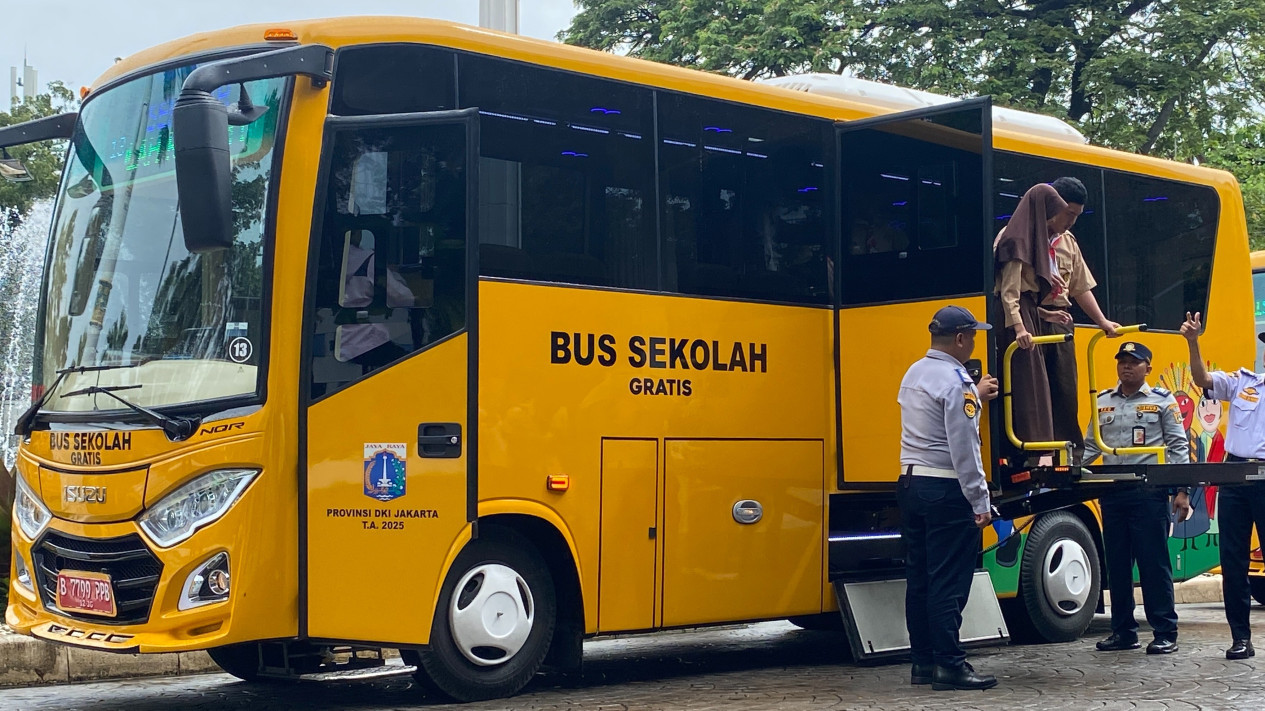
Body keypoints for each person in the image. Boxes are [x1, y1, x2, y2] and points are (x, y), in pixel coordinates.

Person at [898, 305, 1000, 691]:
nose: (974, 342)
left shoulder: (915, 372)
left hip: (911, 483)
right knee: (948, 582)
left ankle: (922, 663)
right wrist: (979, 500)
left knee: (919, 579)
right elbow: (963, 447)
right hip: (946, 489)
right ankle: (951, 665)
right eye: (972, 336)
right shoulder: (957, 381)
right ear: (960, 338)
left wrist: (976, 395)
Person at [1081, 341, 1190, 655]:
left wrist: (1182, 491)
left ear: (1148, 368)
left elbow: (1178, 447)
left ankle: (1165, 631)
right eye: (1122, 361)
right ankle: (1123, 632)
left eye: (1134, 361)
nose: (1127, 366)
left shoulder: (1162, 402)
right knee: (1116, 565)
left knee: (1153, 564)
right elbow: (1091, 447)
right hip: (1112, 493)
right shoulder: (1102, 401)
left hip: (1148, 493)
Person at [1180, 312, 1265, 660]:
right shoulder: (1245, 383)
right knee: (1232, 560)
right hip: (1235, 474)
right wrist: (1192, 341)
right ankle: (1240, 638)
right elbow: (1202, 378)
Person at [1036, 177, 1121, 450]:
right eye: (1068, 213)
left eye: (1077, 215)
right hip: (1028, 320)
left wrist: (1102, 321)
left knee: (1065, 388)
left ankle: (1068, 449)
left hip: (1059, 320)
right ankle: (1033, 449)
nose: (1072, 220)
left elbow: (1080, 287)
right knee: (1031, 389)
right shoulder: (1019, 235)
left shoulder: (1067, 242)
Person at [994, 183, 1072, 451]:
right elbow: (1008, 293)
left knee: (1038, 386)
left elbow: (1023, 295)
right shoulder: (1017, 241)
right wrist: (1018, 327)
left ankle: (1041, 447)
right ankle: (1031, 449)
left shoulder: (1032, 239)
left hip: (1026, 313)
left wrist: (1045, 312)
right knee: (1028, 386)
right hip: (1014, 319)